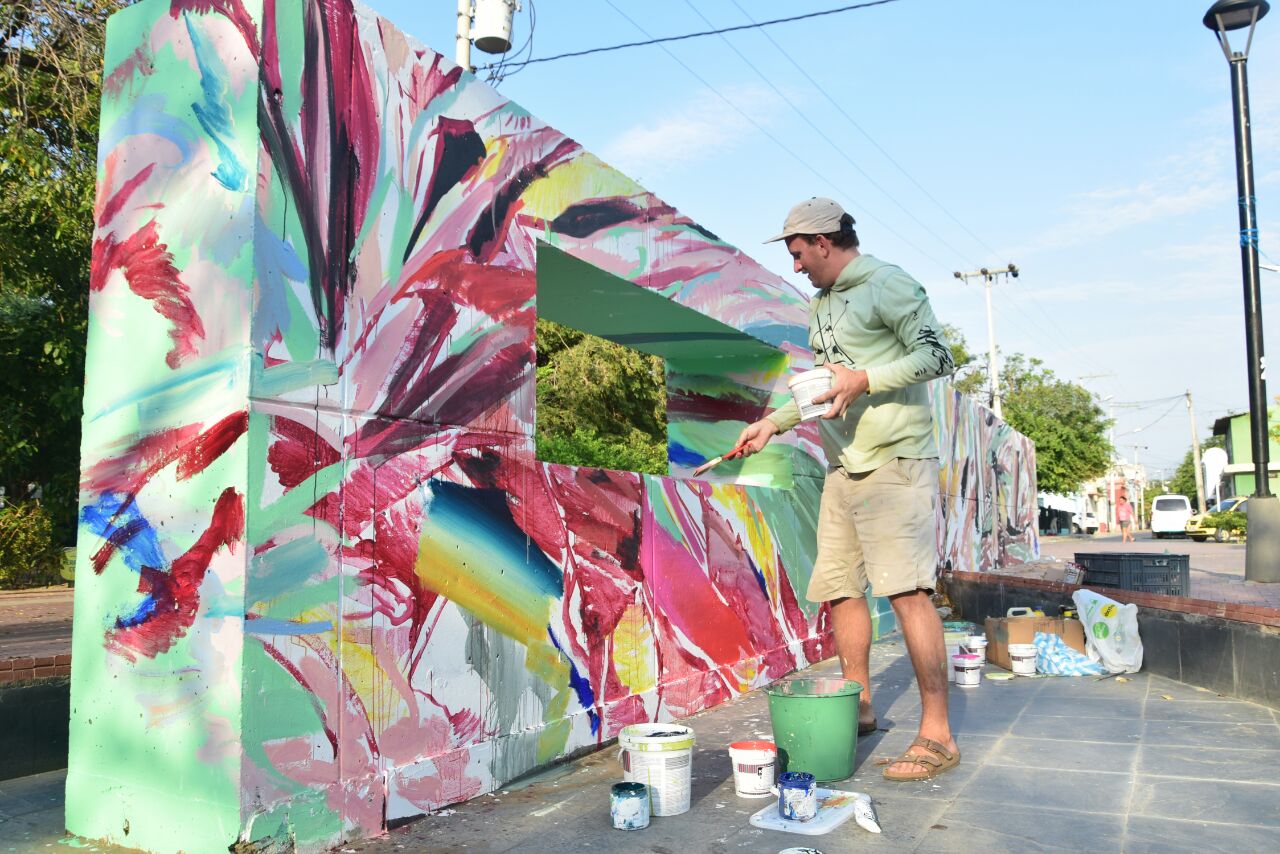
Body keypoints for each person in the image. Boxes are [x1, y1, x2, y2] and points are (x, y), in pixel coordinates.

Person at [738, 197, 959, 782]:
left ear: (824, 242)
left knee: (908, 592)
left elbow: (938, 356)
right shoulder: (820, 304)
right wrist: (771, 423)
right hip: (844, 466)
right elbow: (821, 385)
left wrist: (868, 378)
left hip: (896, 461)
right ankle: (858, 705)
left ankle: (937, 732)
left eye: (798, 253)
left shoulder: (889, 284)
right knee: (840, 589)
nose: (796, 265)